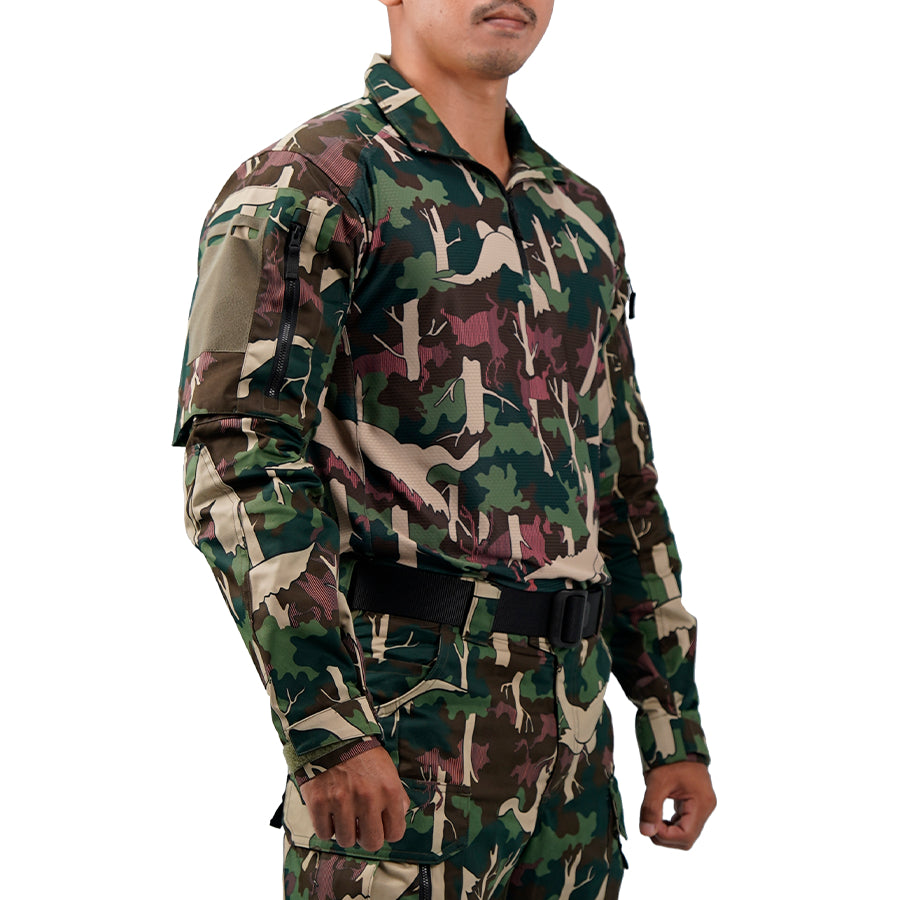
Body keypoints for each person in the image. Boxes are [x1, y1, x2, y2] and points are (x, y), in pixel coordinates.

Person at [173, 1, 716, 896]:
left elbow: (621, 485)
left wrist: (671, 723)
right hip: (403, 732)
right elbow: (240, 463)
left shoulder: (577, 215)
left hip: (575, 758)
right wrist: (326, 725)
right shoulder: (314, 182)